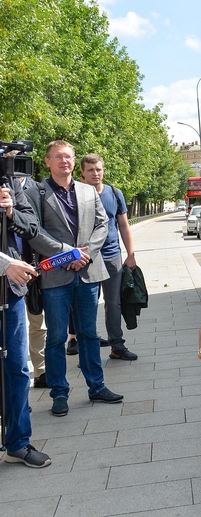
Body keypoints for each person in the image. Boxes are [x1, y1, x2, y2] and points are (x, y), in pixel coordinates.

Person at [26, 140, 123, 417]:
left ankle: (97, 386)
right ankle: (59, 393)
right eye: (58, 157)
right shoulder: (37, 192)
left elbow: (103, 223)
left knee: (89, 334)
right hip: (55, 276)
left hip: (88, 272)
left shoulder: (88, 191)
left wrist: (87, 253)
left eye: (68, 156)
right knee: (56, 337)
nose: (64, 161)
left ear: (74, 160)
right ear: (47, 161)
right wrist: (67, 254)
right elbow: (35, 232)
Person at [0, 176, 52, 468]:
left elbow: (31, 225)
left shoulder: (9, 180)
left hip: (11, 294)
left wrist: (9, 211)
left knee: (18, 370)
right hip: (8, 272)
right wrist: (5, 264)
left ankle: (17, 443)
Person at [80, 153, 138, 361]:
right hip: (86, 259)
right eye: (90, 170)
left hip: (112, 256)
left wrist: (130, 254)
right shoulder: (77, 194)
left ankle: (117, 346)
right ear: (82, 173)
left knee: (114, 303)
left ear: (103, 170)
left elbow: (123, 225)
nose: (95, 173)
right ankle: (88, 352)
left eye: (98, 169)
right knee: (87, 305)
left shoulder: (114, 193)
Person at [19, 175, 49, 388]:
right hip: (7, 268)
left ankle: (40, 371)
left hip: (34, 267)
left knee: (37, 323)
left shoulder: (38, 190)